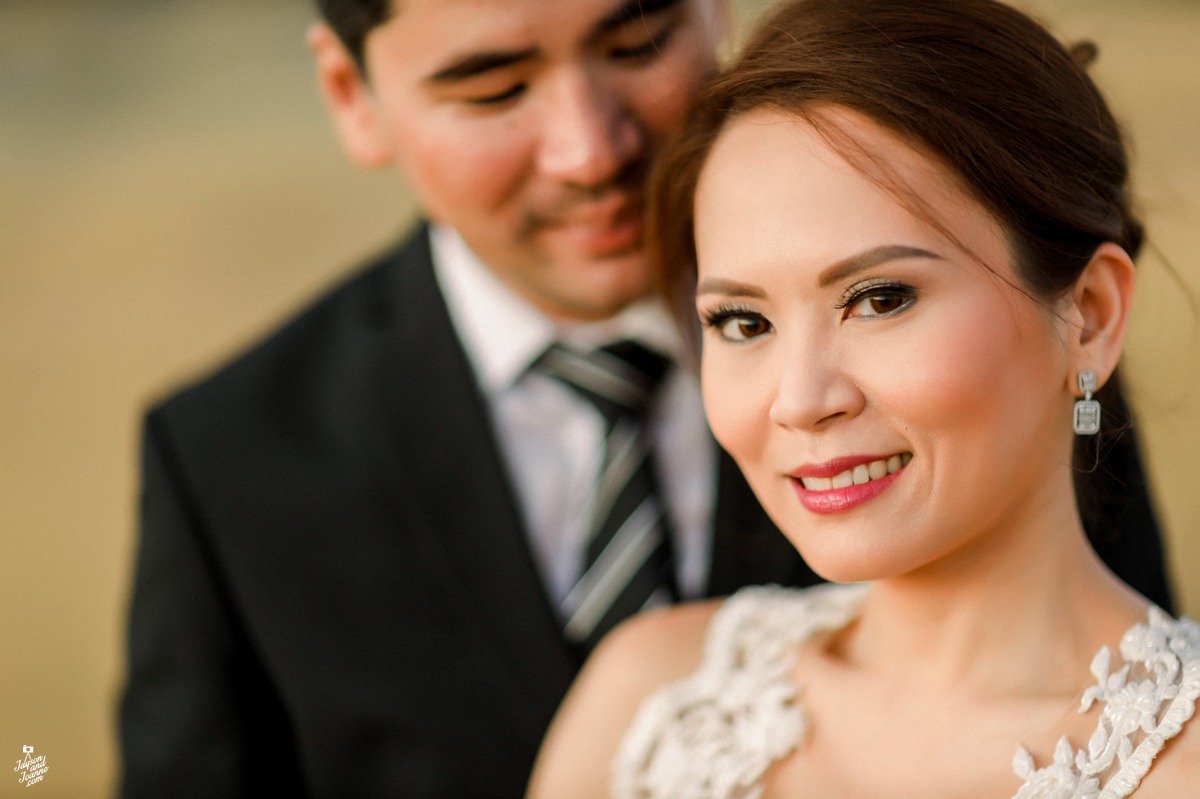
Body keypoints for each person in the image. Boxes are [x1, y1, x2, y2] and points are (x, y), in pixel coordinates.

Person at [117, 2, 827, 797]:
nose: (590, 152)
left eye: (639, 45)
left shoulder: (922, 338)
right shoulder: (231, 454)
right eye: (493, 92)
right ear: (352, 94)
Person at [525, 0, 1198, 797]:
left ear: (1089, 314)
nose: (802, 400)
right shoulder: (650, 699)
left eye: (879, 299)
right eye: (743, 321)